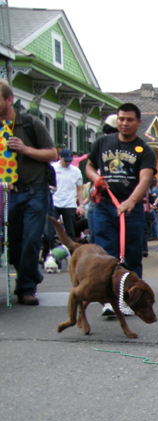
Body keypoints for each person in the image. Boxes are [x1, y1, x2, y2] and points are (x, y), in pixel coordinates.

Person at [86, 102, 156, 316]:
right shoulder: (103, 143)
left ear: (138, 123)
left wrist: (132, 201)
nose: (124, 123)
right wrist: (95, 178)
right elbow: (88, 166)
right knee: (107, 254)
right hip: (104, 206)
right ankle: (108, 299)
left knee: (132, 253)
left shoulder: (144, 150)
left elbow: (145, 179)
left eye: (129, 120)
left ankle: (130, 297)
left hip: (130, 209)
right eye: (121, 119)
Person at [0, 80, 58, 305]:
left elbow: (53, 154)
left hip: (35, 190)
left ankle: (26, 288)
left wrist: (24, 149)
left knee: (31, 239)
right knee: (12, 242)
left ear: (9, 100)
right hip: (8, 192)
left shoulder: (29, 124)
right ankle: (31, 275)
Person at [51, 149, 85, 240]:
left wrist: (81, 205)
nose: (68, 162)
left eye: (70, 160)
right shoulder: (53, 168)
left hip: (69, 203)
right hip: (54, 202)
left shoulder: (76, 171)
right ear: (60, 157)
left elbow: (79, 189)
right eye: (66, 160)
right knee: (48, 230)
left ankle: (71, 252)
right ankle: (47, 251)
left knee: (71, 231)